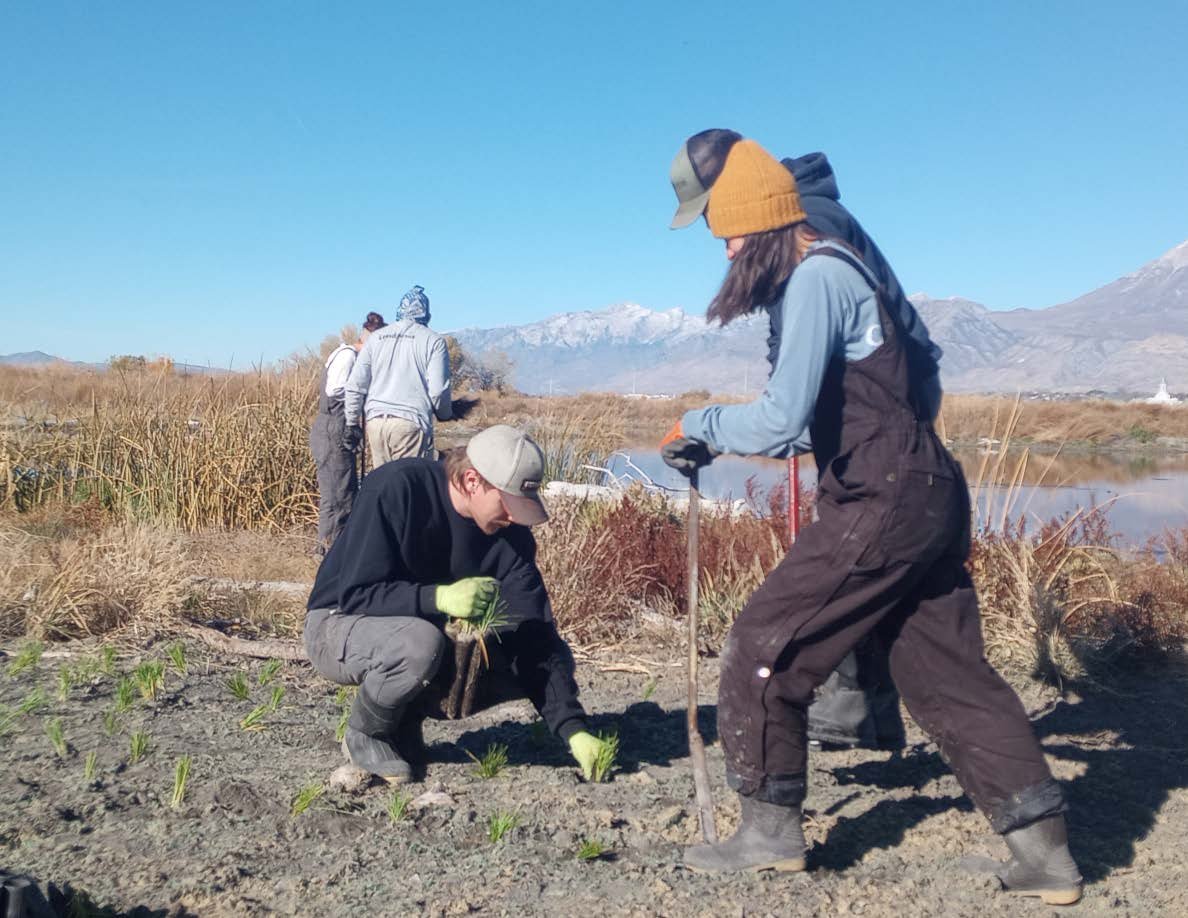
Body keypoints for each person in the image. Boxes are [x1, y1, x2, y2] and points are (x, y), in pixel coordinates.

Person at [661, 137, 1081, 905]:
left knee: (764, 645)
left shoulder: (816, 276)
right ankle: (1044, 853)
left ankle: (768, 833)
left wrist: (697, 420)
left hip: (880, 493)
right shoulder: (832, 264)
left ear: (756, 222)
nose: (722, 249)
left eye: (726, 231)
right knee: (944, 672)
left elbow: (780, 421)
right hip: (925, 487)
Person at [671, 129, 942, 751]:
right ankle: (868, 711)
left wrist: (767, 414)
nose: (721, 241)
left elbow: (811, 345)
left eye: (711, 213)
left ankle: (851, 704)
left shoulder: (805, 224)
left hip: (882, 417)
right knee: (877, 563)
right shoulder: (812, 216)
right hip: (883, 413)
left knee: (846, 559)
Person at [304, 424, 613, 785]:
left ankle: (403, 722)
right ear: (471, 481)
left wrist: (573, 729)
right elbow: (357, 594)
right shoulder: (397, 488)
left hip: (409, 633)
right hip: (336, 623)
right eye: (508, 503)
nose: (514, 518)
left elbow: (536, 637)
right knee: (420, 643)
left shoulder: (511, 538)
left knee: (548, 654)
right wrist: (440, 597)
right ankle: (365, 733)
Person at [344, 285, 453, 467]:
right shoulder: (433, 340)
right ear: (426, 313)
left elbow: (355, 385)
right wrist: (445, 413)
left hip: (376, 424)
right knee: (410, 488)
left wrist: (352, 423)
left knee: (385, 487)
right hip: (410, 424)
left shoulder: (376, 338)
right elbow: (437, 390)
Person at [308, 311, 386, 558]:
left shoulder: (347, 355)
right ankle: (332, 552)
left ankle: (330, 549)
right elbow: (336, 389)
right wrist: (360, 395)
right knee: (339, 494)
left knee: (341, 491)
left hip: (334, 426)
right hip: (334, 427)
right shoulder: (348, 357)